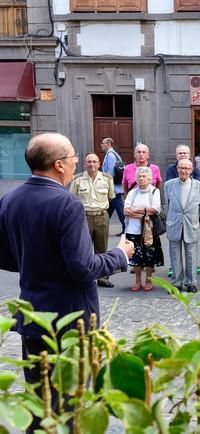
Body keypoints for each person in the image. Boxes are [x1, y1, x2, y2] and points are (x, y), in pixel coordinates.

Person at [0, 133, 133, 432]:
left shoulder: (10, 199)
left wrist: (34, 262)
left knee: (39, 400)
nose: (76, 161)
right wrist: (120, 254)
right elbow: (83, 267)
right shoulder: (67, 204)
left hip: (33, 318)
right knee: (70, 405)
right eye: (73, 156)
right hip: (70, 323)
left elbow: (6, 257)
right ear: (59, 165)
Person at [69, 152, 116, 288]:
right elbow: (72, 199)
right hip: (84, 217)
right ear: (85, 164)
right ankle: (84, 277)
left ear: (99, 163)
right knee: (83, 249)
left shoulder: (107, 179)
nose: (92, 164)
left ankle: (103, 278)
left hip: (102, 216)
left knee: (102, 249)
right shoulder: (77, 180)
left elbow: (111, 197)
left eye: (94, 161)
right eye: (89, 161)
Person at [165, 159, 200, 293]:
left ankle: (191, 282)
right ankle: (176, 282)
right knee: (175, 255)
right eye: (181, 168)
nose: (183, 171)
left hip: (191, 224)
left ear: (191, 170)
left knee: (191, 254)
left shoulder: (199, 186)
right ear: (177, 169)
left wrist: (196, 220)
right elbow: (167, 205)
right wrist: (169, 219)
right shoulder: (168, 185)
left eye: (187, 168)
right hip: (174, 223)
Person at [124, 166, 164, 292]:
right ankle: (137, 281)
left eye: (144, 176)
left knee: (149, 257)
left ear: (150, 179)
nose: (141, 179)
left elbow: (155, 209)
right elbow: (126, 210)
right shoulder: (132, 192)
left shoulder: (154, 191)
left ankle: (148, 280)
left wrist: (136, 210)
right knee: (136, 258)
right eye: (139, 177)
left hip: (149, 230)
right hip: (133, 229)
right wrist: (144, 212)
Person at [100, 137, 126, 235]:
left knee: (118, 209)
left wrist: (108, 187)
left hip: (113, 188)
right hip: (115, 187)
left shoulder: (110, 155)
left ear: (108, 144)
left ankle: (126, 227)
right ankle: (102, 228)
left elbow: (110, 173)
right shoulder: (114, 154)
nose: (101, 146)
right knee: (109, 209)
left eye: (103, 144)